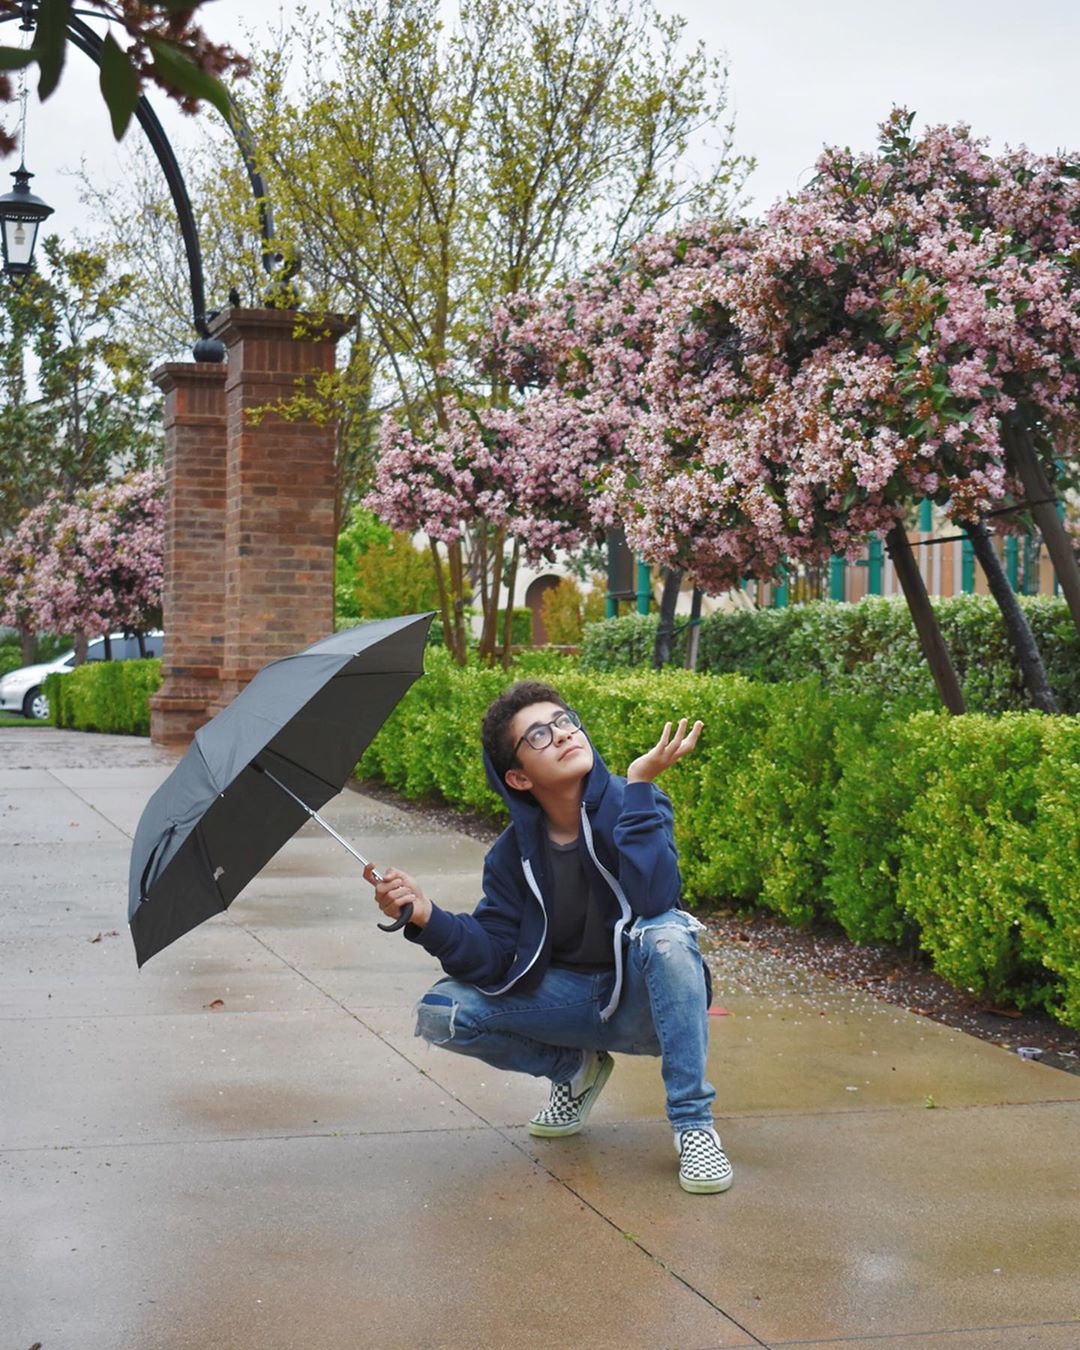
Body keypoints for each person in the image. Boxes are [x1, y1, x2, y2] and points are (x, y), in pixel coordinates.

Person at [369, 680, 732, 1194]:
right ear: (517, 777)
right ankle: (574, 1067)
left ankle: (694, 1126)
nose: (561, 735)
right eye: (538, 734)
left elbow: (655, 899)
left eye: (564, 721)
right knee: (441, 1014)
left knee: (668, 934)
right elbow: (493, 956)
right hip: (566, 1004)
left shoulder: (638, 802)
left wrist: (640, 784)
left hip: (644, 1005)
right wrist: (427, 916)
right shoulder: (510, 855)